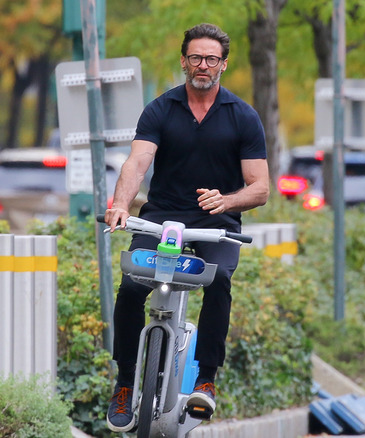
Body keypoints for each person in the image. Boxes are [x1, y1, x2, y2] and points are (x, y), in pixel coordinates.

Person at [103, 23, 270, 432]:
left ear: (223, 65)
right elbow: (136, 163)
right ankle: (125, 383)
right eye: (195, 57)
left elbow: (261, 187)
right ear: (184, 61)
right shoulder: (160, 109)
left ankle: (206, 379)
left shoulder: (242, 116)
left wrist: (227, 201)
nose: (203, 65)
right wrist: (122, 204)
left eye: (211, 59)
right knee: (130, 287)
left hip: (217, 223)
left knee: (219, 282)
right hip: (162, 219)